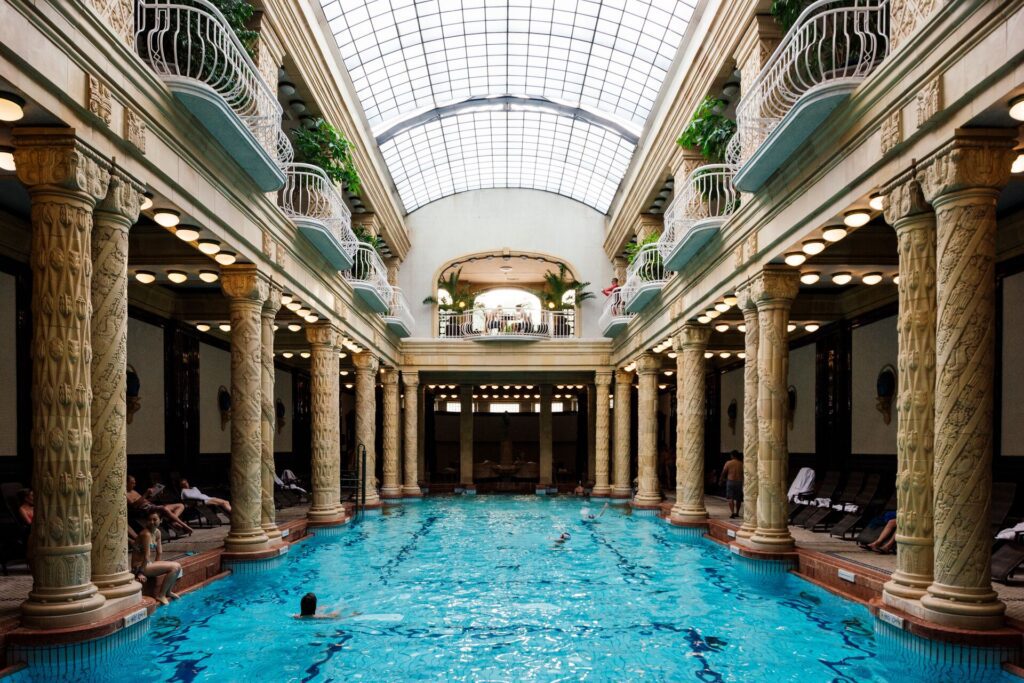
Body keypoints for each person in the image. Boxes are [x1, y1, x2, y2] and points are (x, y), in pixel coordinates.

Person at [132, 511, 182, 605]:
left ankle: (168, 591)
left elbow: (159, 552)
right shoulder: (145, 534)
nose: (152, 522)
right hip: (138, 567)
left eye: (155, 519)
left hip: (147, 564)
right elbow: (147, 556)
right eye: (149, 520)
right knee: (174, 567)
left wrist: (157, 567)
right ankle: (161, 595)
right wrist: (140, 573)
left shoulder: (157, 532)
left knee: (178, 566)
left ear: (161, 520)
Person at [126, 475, 193, 534]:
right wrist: (146, 493)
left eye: (134, 483)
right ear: (126, 483)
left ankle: (172, 521)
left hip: (152, 506)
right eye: (132, 483)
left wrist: (155, 494)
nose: (134, 485)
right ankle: (185, 526)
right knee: (164, 508)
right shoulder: (126, 494)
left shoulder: (134, 491)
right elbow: (135, 505)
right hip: (144, 510)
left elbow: (145, 500)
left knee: (180, 505)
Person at [719, 451, 743, 519]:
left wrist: (721, 480)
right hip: (739, 481)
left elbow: (724, 472)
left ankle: (732, 513)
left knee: (730, 498)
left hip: (731, 481)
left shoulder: (728, 463)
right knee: (738, 498)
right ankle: (737, 512)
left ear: (732, 455)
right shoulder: (741, 463)